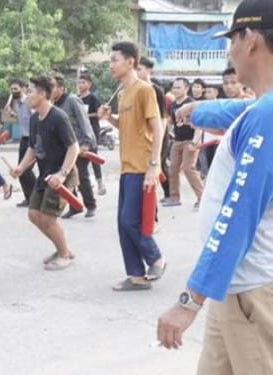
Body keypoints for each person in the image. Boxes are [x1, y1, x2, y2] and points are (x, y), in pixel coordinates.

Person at [158, 3, 273, 374]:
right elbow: (242, 112)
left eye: (232, 40)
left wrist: (188, 300)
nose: (230, 51)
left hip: (257, 297)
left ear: (251, 41)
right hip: (239, 290)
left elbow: (237, 218)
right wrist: (197, 109)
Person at [99, 42, 167, 291]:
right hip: (127, 167)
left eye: (114, 60)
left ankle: (155, 257)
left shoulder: (144, 90)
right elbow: (127, 126)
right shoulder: (122, 93)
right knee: (122, 222)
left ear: (130, 62)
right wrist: (110, 118)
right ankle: (136, 275)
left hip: (142, 166)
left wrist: (153, 166)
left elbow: (158, 129)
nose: (111, 65)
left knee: (130, 221)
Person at [11, 75, 79, 271]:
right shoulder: (34, 119)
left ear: (42, 94)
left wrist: (62, 174)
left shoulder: (58, 117)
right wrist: (21, 167)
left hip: (61, 175)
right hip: (45, 175)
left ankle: (65, 255)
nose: (27, 95)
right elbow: (33, 148)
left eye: (30, 91)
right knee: (34, 214)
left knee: (48, 218)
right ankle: (62, 248)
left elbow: (73, 148)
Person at [51, 75, 97, 219]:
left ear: (61, 88)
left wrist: (86, 144)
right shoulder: (55, 104)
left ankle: (91, 205)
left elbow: (85, 122)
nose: (49, 90)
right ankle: (75, 205)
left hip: (82, 144)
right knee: (68, 177)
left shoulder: (72, 100)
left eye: (52, 86)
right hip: (68, 146)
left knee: (81, 176)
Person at [164, 77, 203, 208]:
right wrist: (165, 133)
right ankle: (174, 198)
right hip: (177, 141)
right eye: (174, 87)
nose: (175, 90)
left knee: (188, 168)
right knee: (172, 169)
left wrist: (194, 142)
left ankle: (202, 198)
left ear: (186, 89)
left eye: (178, 87)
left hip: (190, 141)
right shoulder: (173, 105)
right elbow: (170, 122)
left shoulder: (191, 104)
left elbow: (199, 125)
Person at [138, 57, 170, 202]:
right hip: (142, 139)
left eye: (139, 69)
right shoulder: (135, 90)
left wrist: (160, 138)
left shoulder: (156, 91)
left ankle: (167, 194)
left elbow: (163, 118)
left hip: (158, 136)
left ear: (149, 70)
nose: (136, 73)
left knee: (158, 166)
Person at [5, 78, 37, 207]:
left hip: (33, 138)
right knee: (20, 169)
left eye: (16, 89)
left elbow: (35, 119)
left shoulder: (29, 102)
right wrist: (12, 114)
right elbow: (21, 120)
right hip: (24, 138)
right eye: (12, 89)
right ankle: (28, 198)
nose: (13, 92)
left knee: (27, 170)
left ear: (23, 88)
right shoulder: (16, 103)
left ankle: (36, 197)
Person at [77, 74, 107, 195]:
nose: (80, 85)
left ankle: (100, 182)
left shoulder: (93, 98)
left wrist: (85, 116)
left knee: (93, 157)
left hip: (92, 131)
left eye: (83, 82)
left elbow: (99, 114)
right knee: (80, 159)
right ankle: (84, 184)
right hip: (81, 132)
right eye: (79, 82)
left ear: (89, 84)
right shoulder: (77, 99)